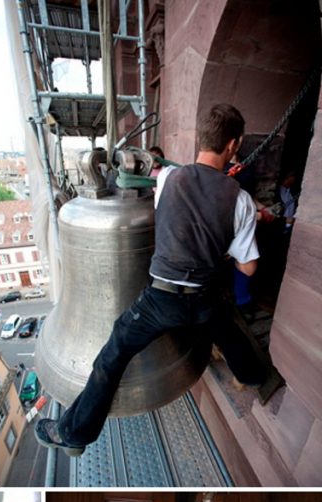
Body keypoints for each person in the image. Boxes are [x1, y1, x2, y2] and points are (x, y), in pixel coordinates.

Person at [36, 103, 283, 458]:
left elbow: (173, 223)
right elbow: (249, 269)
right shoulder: (241, 202)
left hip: (160, 302)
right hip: (204, 301)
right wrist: (226, 247)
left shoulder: (168, 179)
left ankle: (74, 433)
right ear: (234, 144)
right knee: (227, 329)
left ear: (201, 138)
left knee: (112, 357)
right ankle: (256, 377)